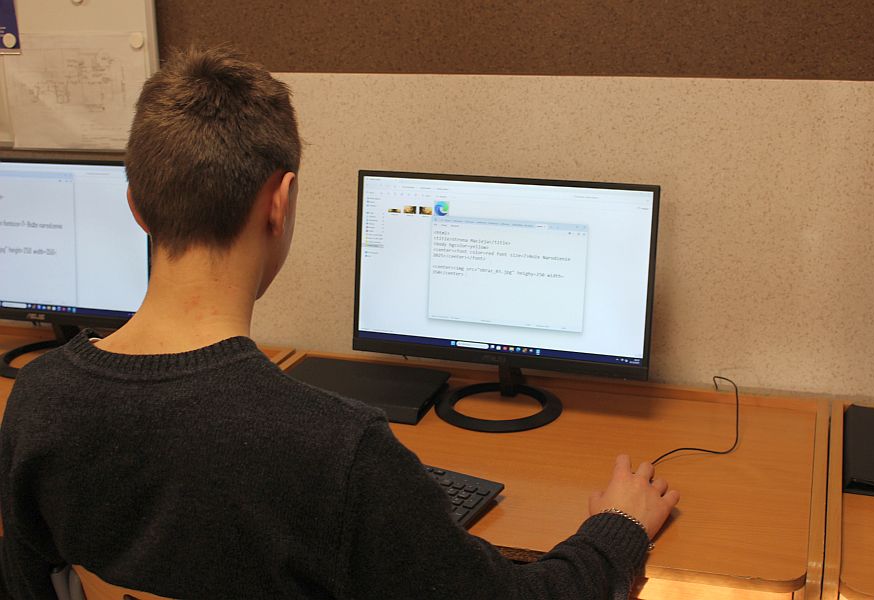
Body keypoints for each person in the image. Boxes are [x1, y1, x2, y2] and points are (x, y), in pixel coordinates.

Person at [0, 47, 679, 599]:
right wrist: (617, 529)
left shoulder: (40, 402)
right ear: (280, 201)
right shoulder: (333, 448)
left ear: (136, 207)